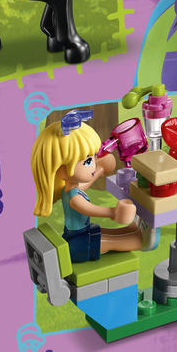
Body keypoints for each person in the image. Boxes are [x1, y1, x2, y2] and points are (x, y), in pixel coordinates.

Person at [29, 109, 144, 262]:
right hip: (79, 243)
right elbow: (90, 209)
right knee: (127, 241)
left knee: (119, 231)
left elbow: (84, 184)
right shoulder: (75, 199)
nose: (94, 164)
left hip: (80, 235)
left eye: (94, 156)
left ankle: (132, 232)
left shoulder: (70, 189)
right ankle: (137, 239)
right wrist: (113, 212)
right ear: (61, 170)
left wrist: (101, 170)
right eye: (88, 161)